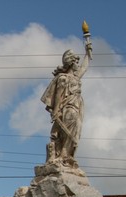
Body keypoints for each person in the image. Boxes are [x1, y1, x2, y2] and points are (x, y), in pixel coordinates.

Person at [40, 37, 92, 166]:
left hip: (77, 106)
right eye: (75, 61)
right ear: (70, 62)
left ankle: (67, 155)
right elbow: (58, 96)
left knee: (75, 131)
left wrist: (88, 52)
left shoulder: (75, 77)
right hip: (67, 107)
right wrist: (56, 111)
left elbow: (84, 68)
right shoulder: (63, 78)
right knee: (66, 132)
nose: (77, 64)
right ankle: (62, 154)